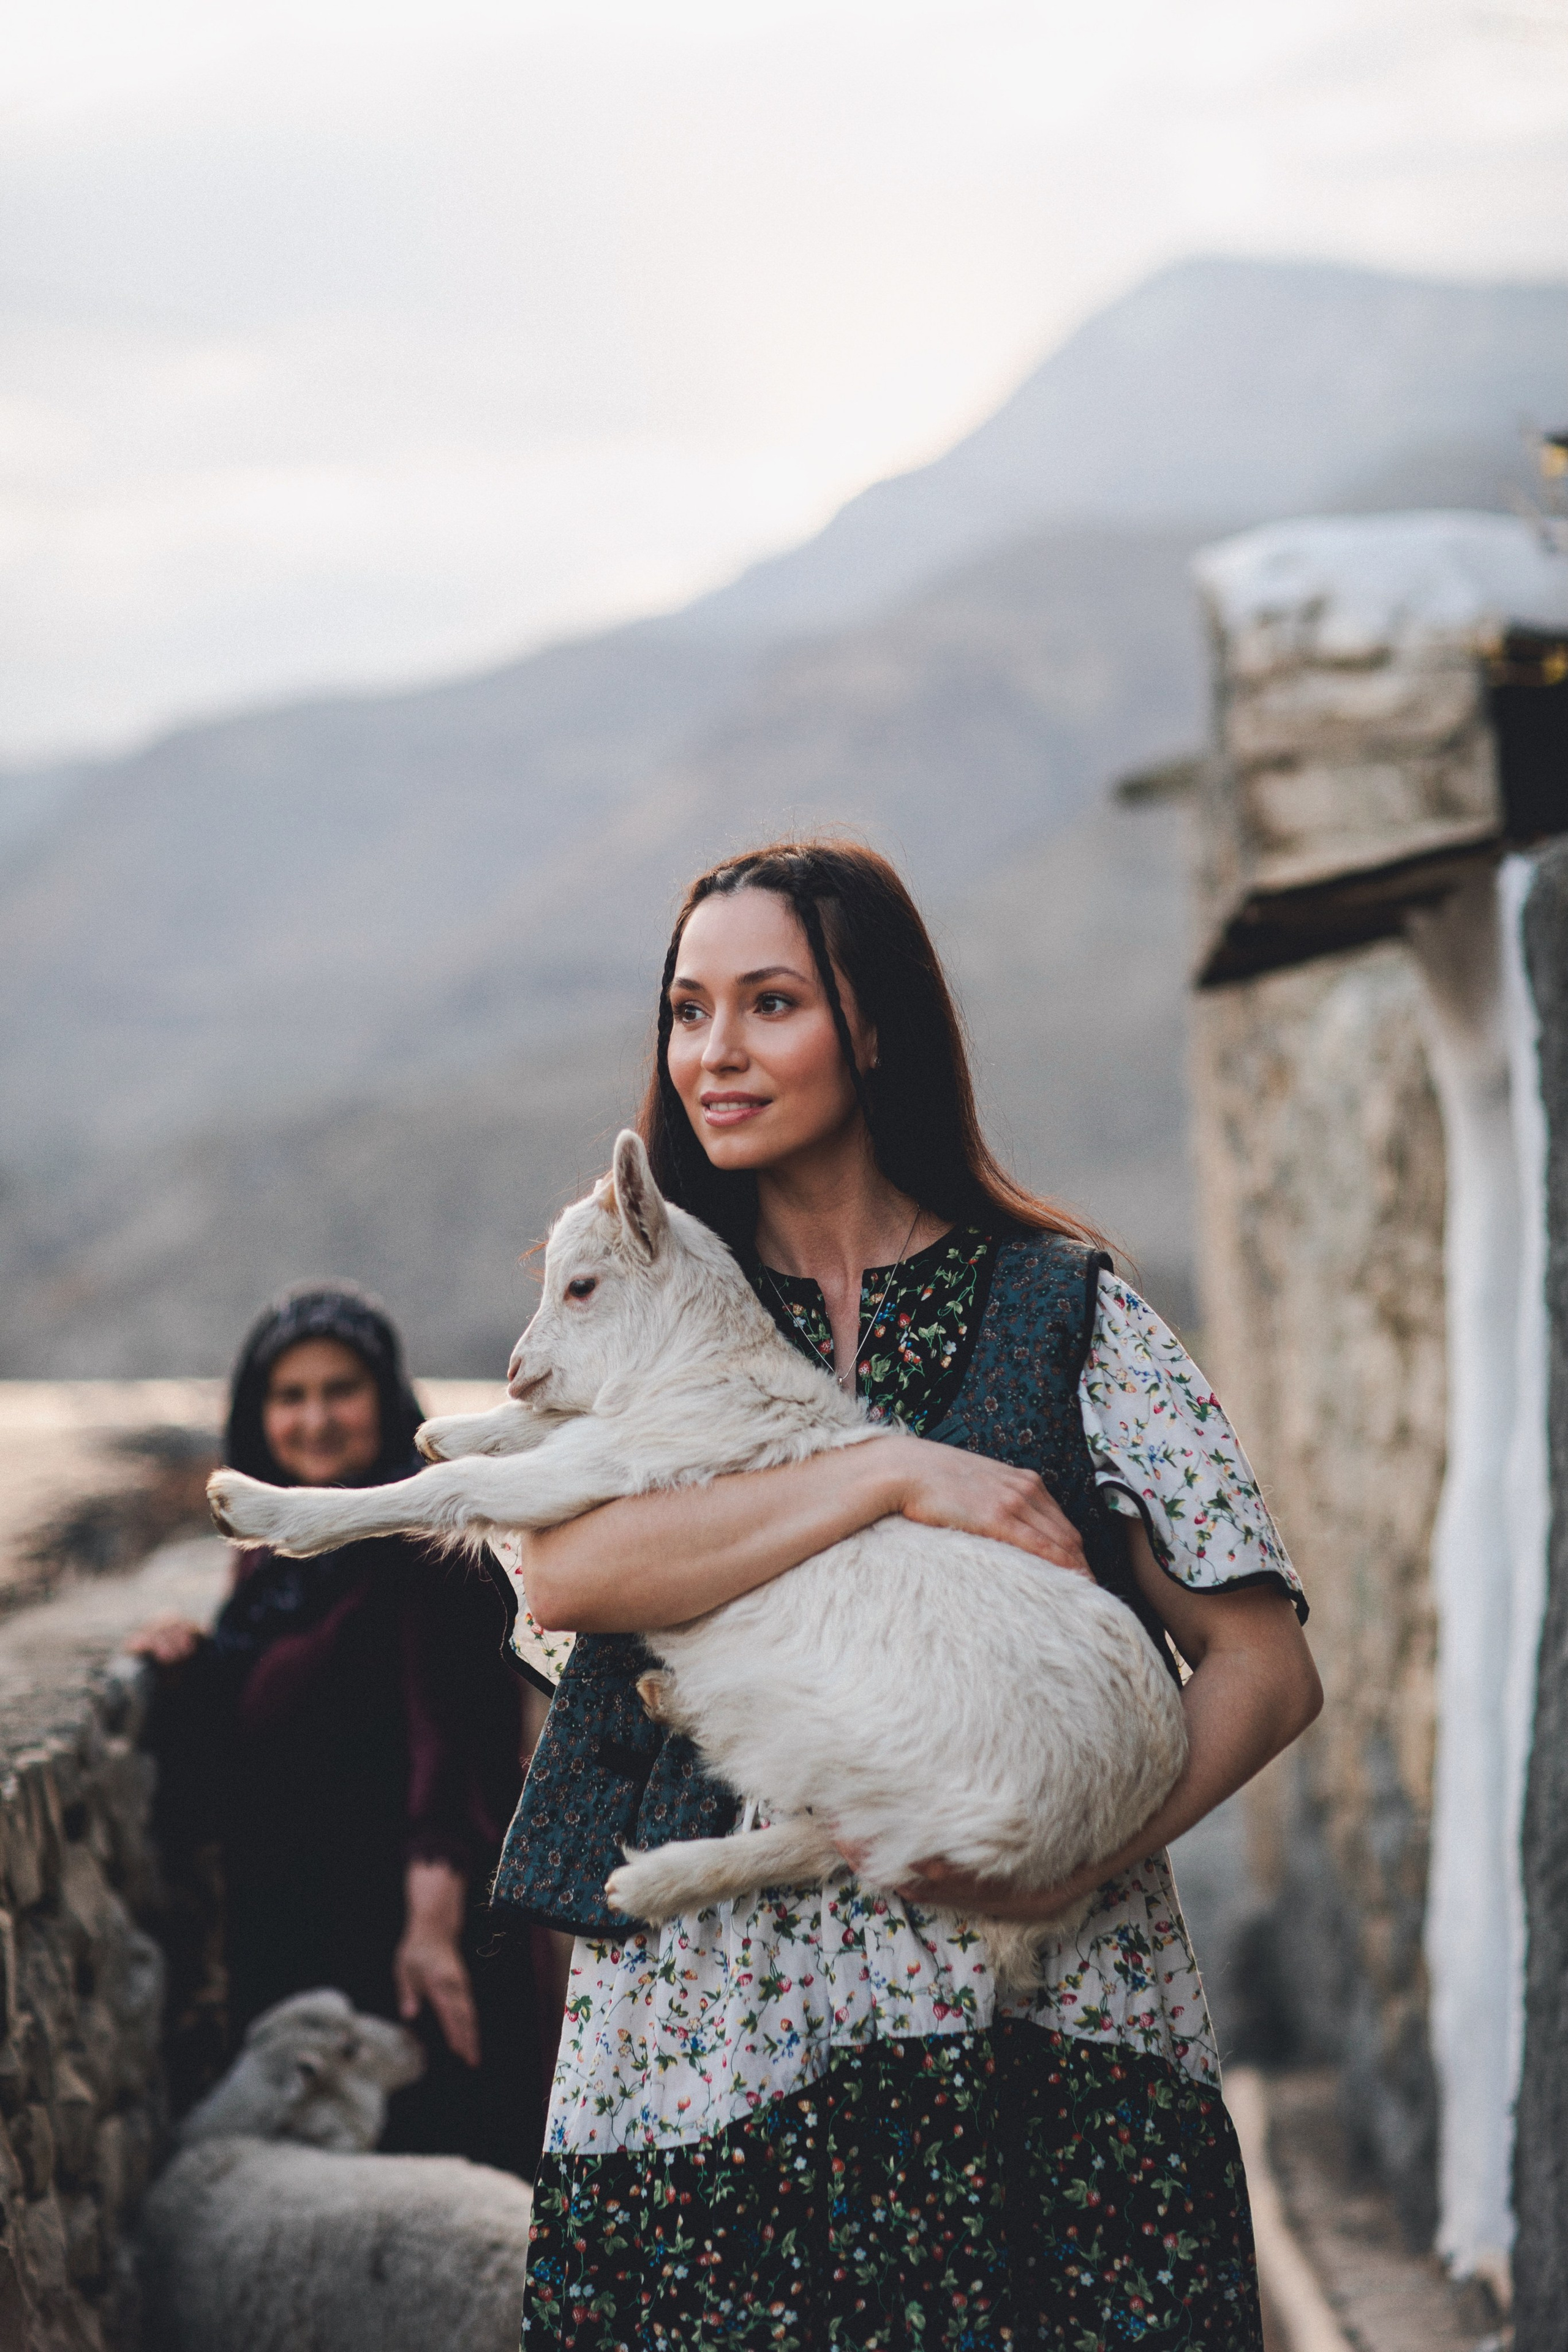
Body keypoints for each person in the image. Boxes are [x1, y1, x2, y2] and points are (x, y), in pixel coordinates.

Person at [497, 841, 1322, 2346]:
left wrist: (1074, 1856)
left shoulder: (1063, 1305)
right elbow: (571, 1569)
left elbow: (1262, 1664)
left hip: (1034, 2008)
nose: (713, 1054)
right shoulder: (636, 1302)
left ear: (870, 1026)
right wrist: (885, 1477)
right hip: (712, 2027)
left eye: (767, 1003)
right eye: (685, 1012)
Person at [134, 1280, 548, 2175]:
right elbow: (273, 1716)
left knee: (427, 2197)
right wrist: (191, 1664)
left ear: (388, 1402)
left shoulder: (425, 1547)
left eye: (340, 1390)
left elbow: (454, 1743)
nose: (315, 1419)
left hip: (398, 1941)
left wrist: (431, 1930)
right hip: (298, 1927)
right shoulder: (275, 1561)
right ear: (256, 1414)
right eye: (290, 1396)